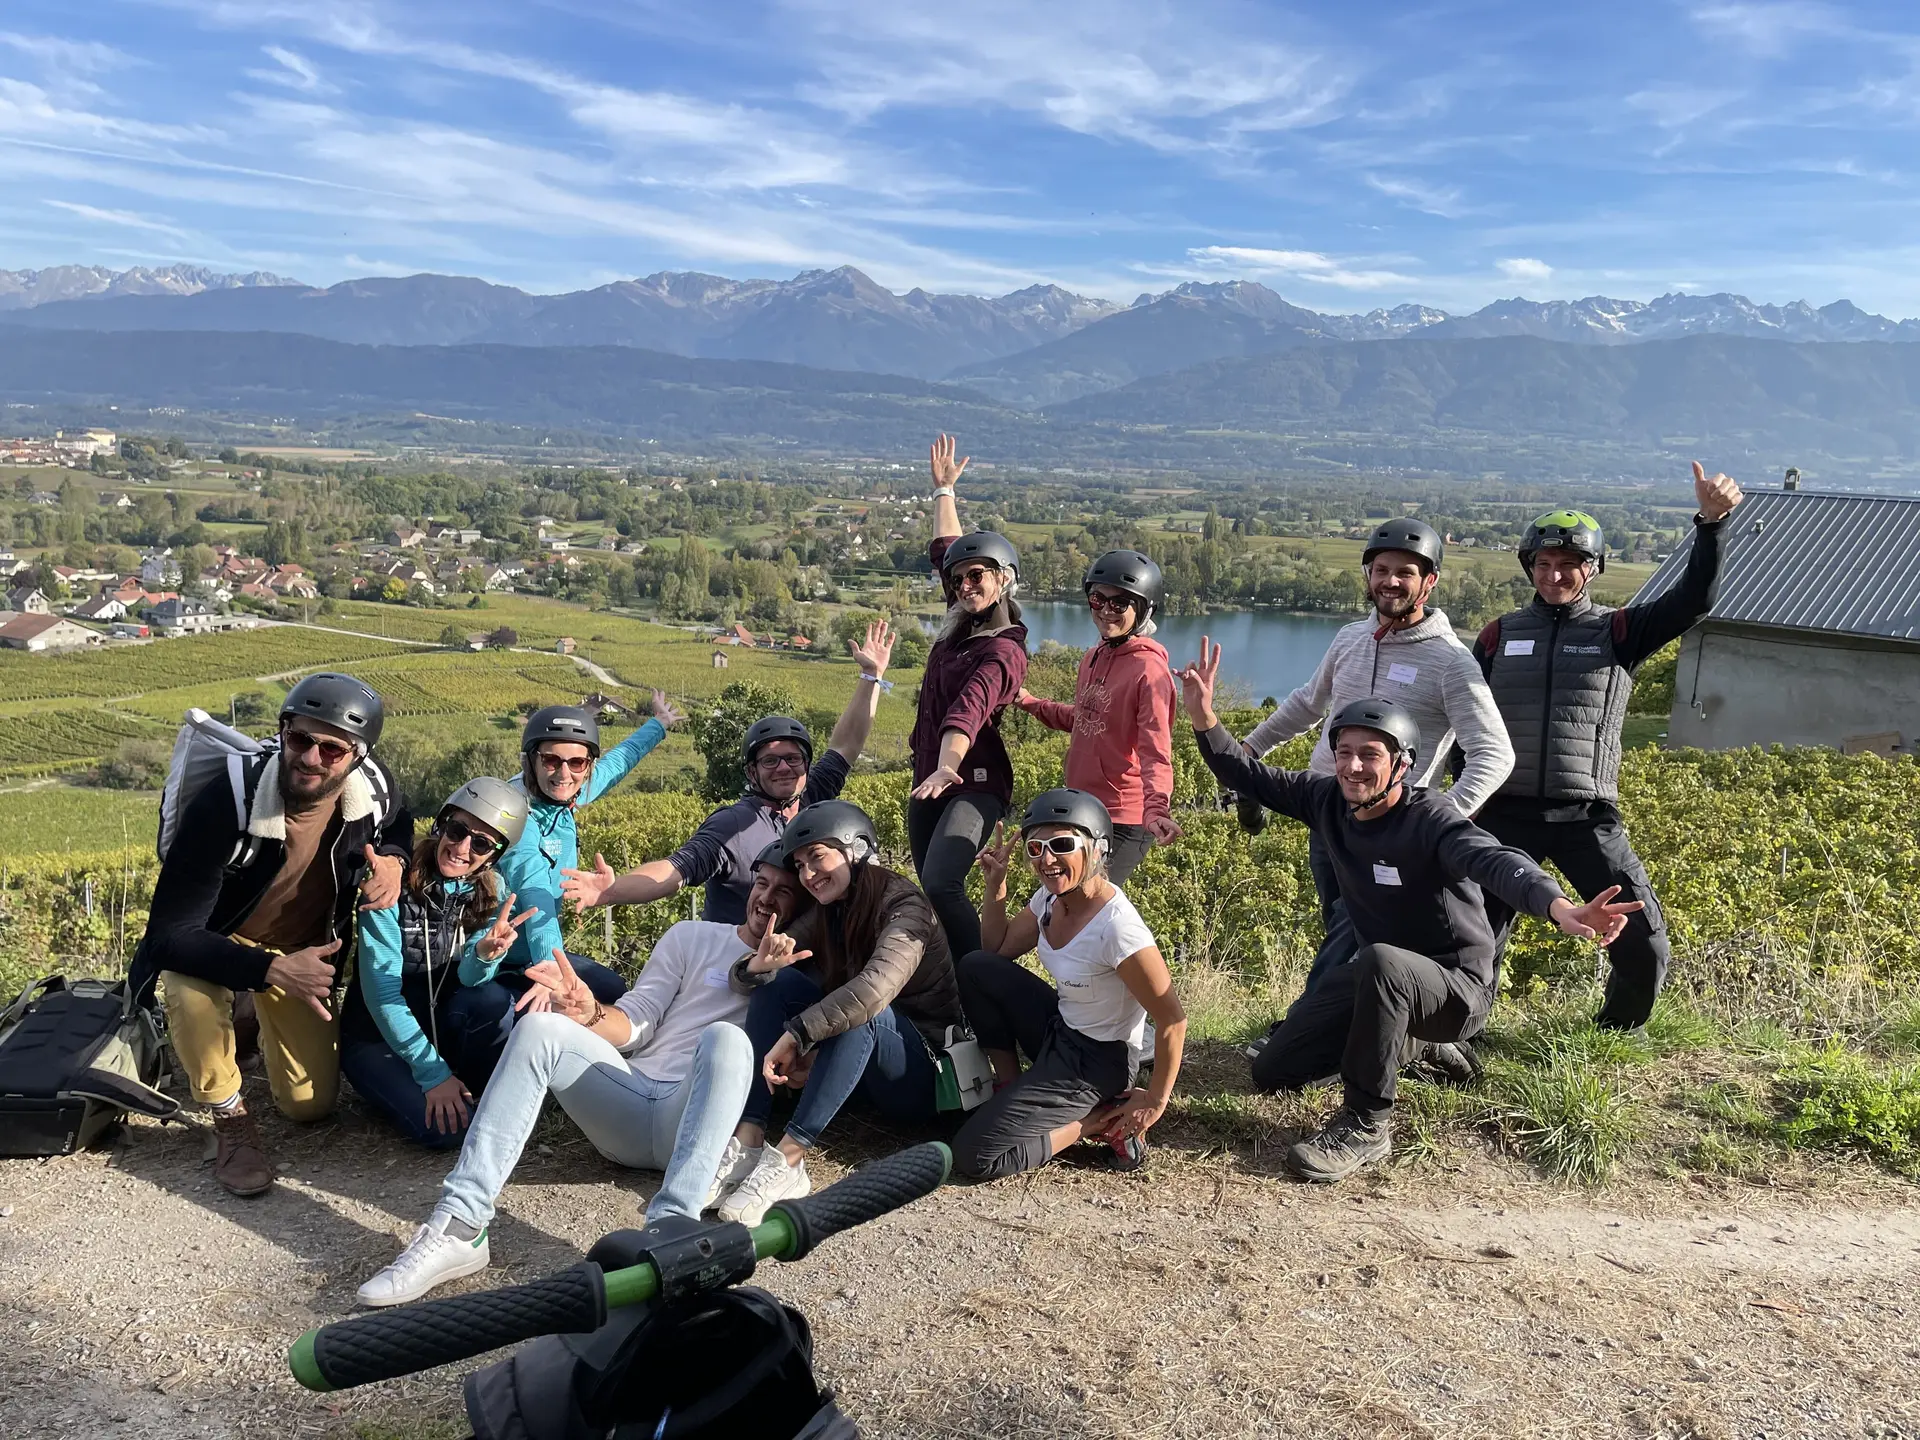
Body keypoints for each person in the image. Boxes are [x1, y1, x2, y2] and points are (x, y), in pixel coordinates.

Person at [1181, 642, 1642, 1182]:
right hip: (1381, 979)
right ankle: (1415, 1047)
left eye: (1370, 755)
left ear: (1403, 763)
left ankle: (1367, 1122)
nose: (1353, 766)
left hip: (1454, 988)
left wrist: (1558, 905)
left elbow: (1498, 861)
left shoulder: (1432, 820)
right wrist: (1204, 716)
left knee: (1379, 960)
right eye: (1344, 750)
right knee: (1273, 1071)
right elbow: (1248, 773)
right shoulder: (1327, 799)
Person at [355, 844, 811, 1307]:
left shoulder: (809, 969)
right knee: (539, 1027)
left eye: (785, 891)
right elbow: (637, 1021)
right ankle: (460, 1226)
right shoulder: (691, 936)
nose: (767, 898)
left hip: (694, 1125)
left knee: (728, 1038)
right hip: (629, 1100)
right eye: (761, 883)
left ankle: (673, 1229)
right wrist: (590, 1012)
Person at [1469, 462, 1743, 1030]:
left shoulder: (1618, 631)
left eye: (1569, 565)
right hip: (1501, 814)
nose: (1554, 575)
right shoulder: (1498, 634)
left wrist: (1710, 524)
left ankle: (1612, 1038)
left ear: (1591, 570)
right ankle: (1454, 1041)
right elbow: (1463, 723)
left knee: (1642, 943)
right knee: (1472, 944)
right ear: (1529, 567)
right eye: (1543, 564)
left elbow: (1694, 600)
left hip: (1584, 817)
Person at [129, 673, 413, 1196]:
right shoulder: (227, 802)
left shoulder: (371, 788)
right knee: (190, 999)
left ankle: (247, 1017)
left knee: (310, 1107)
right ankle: (229, 1116)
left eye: (332, 750)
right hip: (220, 944)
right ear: (282, 731)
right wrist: (269, 970)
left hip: (303, 950)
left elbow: (399, 823)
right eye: (301, 739)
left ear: (356, 757)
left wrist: (395, 861)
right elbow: (169, 935)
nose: (311, 758)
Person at [1240, 517, 1514, 924]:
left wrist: (1440, 821)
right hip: (1329, 816)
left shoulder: (1450, 661)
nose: (1391, 582)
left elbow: (1495, 753)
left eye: (1405, 573)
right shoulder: (1350, 637)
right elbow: (1308, 703)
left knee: (1379, 937)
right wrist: (1247, 752)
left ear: (1430, 581)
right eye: (1381, 570)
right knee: (1335, 928)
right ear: (1368, 575)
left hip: (1395, 830)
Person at [712, 799, 964, 1225]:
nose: (808, 875)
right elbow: (748, 979)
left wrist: (797, 1035)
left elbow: (872, 992)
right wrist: (756, 967)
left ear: (857, 849)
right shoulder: (831, 910)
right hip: (864, 1069)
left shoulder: (906, 911)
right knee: (781, 982)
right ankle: (749, 1136)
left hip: (926, 1074)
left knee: (862, 1010)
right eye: (800, 864)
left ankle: (789, 1161)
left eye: (817, 857)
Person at [558, 621, 897, 924]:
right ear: (752, 771)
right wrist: (611, 891)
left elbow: (846, 745)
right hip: (733, 961)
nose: (784, 768)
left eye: (793, 759)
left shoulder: (815, 802)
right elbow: (676, 870)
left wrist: (872, 677)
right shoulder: (731, 825)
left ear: (806, 765)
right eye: (770, 761)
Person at [951, 788, 1187, 1181]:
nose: (1046, 859)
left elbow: (1172, 1020)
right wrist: (996, 886)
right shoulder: (1049, 898)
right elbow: (996, 949)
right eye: (1035, 847)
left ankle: (1095, 1122)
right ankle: (1010, 1085)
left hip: (1097, 1063)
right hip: (1062, 1027)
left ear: (1097, 850)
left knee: (973, 1155)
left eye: (1061, 844)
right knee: (977, 968)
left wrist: (1156, 1100)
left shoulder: (1117, 929)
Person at [340, 778, 537, 1149]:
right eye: (457, 829)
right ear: (440, 824)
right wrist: (432, 1075)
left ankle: (470, 1087)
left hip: (437, 1027)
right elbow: (383, 995)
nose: (462, 847)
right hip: (376, 1037)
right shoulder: (389, 888)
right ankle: (439, 1086)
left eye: (480, 843)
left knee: (492, 999)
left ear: (493, 856)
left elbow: (469, 979)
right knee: (449, 1132)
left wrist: (484, 956)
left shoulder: (488, 891)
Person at [476, 696, 681, 1008]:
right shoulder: (515, 814)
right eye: (550, 760)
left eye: (577, 763)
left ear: (587, 766)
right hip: (490, 954)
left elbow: (618, 763)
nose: (564, 773)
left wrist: (659, 724)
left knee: (613, 989)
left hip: (532, 950)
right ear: (530, 760)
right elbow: (535, 892)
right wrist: (555, 970)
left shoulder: (567, 790)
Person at [909, 433, 1029, 957]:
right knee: (930, 898)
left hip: (973, 783)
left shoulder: (1004, 651)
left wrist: (947, 763)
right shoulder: (961, 620)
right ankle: (946, 992)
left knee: (940, 883)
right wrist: (944, 492)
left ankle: (979, 972)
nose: (963, 584)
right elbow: (949, 551)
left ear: (1003, 581)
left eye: (976, 576)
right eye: (958, 579)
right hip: (930, 780)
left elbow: (970, 709)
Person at [1012, 552, 1181, 884]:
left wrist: (1157, 808)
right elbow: (1085, 719)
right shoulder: (1093, 656)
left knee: (1091, 904)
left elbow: (1155, 750)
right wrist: (1030, 702)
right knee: (1064, 900)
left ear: (1144, 609)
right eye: (1098, 599)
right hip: (1082, 807)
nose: (1106, 610)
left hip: (1124, 817)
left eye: (1119, 604)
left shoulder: (1150, 672)